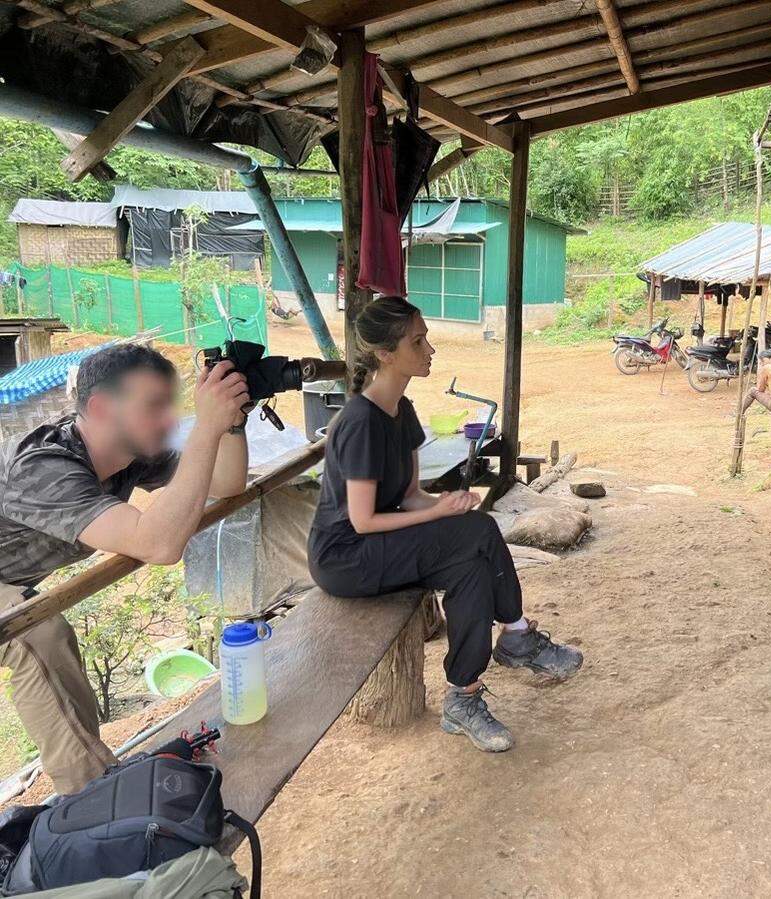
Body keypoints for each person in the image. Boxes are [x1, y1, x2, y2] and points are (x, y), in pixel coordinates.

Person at [307, 297, 583, 753]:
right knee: (475, 531)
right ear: (385, 354)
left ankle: (464, 696)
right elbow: (360, 519)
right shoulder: (360, 422)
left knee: (469, 567)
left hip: (383, 541)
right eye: (417, 341)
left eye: (426, 337)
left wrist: (442, 502)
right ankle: (516, 636)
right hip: (346, 556)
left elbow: (412, 496)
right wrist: (441, 513)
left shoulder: (404, 411)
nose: (429, 348)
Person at [0, 344, 250, 794]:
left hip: (13, 576)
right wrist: (205, 428)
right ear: (100, 408)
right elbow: (158, 543)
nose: (169, 420)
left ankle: (93, 788)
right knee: (39, 634)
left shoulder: (128, 451)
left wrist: (230, 423)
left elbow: (226, 483)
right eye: (153, 406)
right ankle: (94, 796)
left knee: (48, 636)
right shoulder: (41, 467)